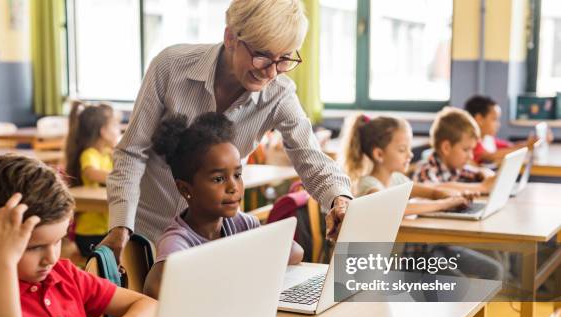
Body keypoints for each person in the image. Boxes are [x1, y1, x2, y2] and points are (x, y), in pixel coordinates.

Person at [102, 0, 352, 263]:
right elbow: (131, 152)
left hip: (214, 242)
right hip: (145, 236)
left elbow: (310, 158)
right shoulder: (170, 66)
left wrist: (339, 198)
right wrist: (120, 227)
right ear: (230, 37)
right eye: (263, 55)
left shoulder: (279, 93)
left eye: (284, 59)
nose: (270, 72)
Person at [0, 156, 156, 317]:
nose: (51, 257)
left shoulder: (65, 274)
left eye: (58, 240)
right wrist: (4, 262)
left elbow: (149, 306)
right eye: (35, 247)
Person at [143, 113, 304, 298]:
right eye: (219, 179)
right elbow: (153, 288)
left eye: (237, 175)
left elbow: (295, 252)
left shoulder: (242, 224)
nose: (233, 187)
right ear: (186, 189)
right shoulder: (178, 242)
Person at [343, 114, 474, 215]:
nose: (410, 155)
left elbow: (433, 191)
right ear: (379, 154)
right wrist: (445, 203)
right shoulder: (368, 184)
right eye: (402, 150)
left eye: (409, 149)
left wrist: (454, 196)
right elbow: (397, 209)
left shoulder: (397, 179)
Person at [65, 101, 121, 257]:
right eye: (115, 126)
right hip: (90, 233)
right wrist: (121, 178)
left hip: (105, 229)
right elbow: (91, 173)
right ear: (103, 131)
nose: (119, 130)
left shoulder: (108, 154)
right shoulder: (90, 154)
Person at [412, 107, 495, 194]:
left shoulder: (455, 168)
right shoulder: (426, 171)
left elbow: (480, 172)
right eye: (466, 150)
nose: (471, 156)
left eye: (471, 150)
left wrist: (484, 173)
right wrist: (482, 187)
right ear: (446, 148)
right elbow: (436, 190)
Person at [464, 95, 553, 164]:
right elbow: (489, 156)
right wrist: (528, 146)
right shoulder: (471, 141)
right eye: (494, 119)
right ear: (479, 119)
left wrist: (533, 143)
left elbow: (511, 146)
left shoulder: (488, 140)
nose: (498, 124)